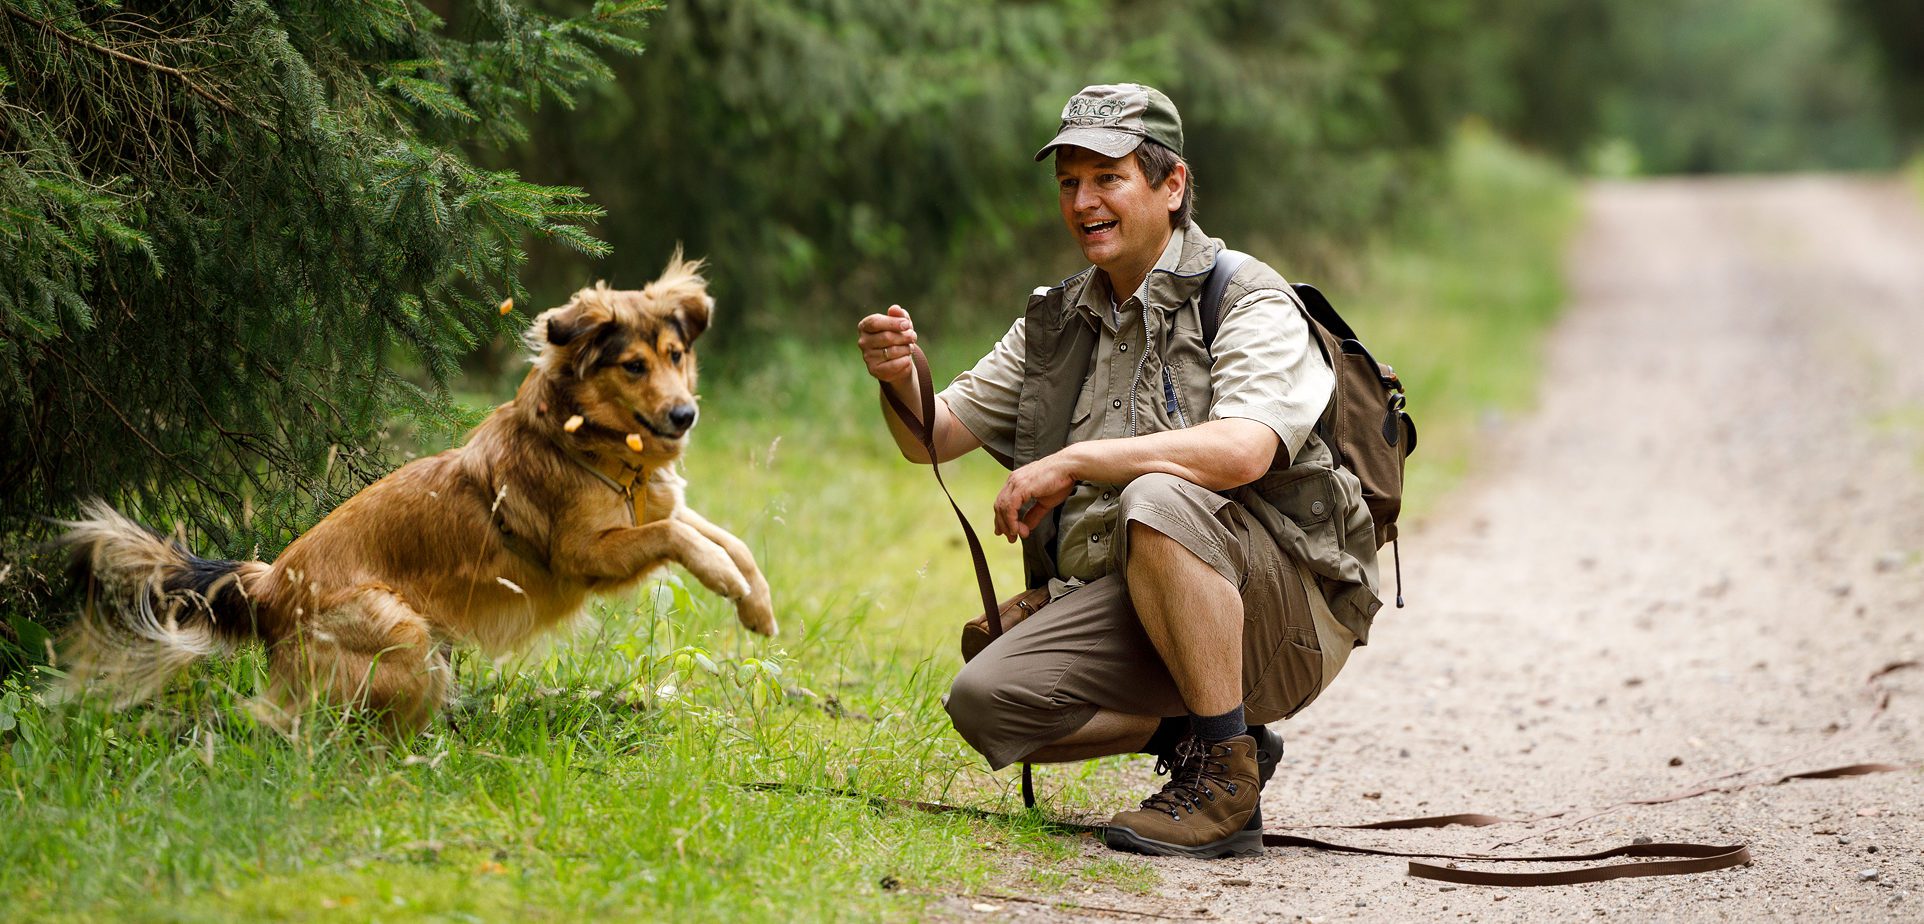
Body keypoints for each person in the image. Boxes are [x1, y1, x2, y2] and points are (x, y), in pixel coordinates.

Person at [854, 84, 1382, 859]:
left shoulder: (1244, 297)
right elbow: (932, 438)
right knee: (988, 701)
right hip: (1152, 604)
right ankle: (1216, 737)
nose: (1083, 201)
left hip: (1290, 616)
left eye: (1108, 178)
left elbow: (1242, 451)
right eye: (1069, 182)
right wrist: (899, 374)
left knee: (1159, 495)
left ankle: (1225, 790)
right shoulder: (1057, 320)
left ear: (1172, 187)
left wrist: (1075, 460)